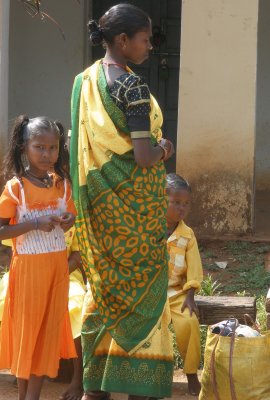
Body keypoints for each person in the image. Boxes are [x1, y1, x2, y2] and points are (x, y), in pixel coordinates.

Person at [69, 4, 175, 400]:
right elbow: (144, 156)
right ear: (123, 40)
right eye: (145, 39)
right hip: (138, 212)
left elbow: (82, 150)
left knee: (103, 287)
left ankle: (95, 387)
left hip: (100, 211)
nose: (150, 46)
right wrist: (164, 147)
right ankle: (139, 386)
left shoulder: (85, 80)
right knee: (143, 289)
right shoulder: (132, 86)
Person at [0, 115, 77, 400]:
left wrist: (67, 220)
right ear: (24, 147)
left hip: (56, 270)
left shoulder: (61, 185)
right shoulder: (15, 188)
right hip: (28, 272)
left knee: (45, 334)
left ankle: (31, 397)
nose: (47, 154)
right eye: (39, 147)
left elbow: (72, 216)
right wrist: (34, 224)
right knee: (29, 334)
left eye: (53, 148)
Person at [0, 227, 87, 400]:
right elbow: (11, 247)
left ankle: (77, 380)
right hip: (25, 272)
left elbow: (78, 256)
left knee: (74, 304)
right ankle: (21, 369)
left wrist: (56, 273)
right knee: (8, 301)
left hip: (65, 274)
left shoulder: (72, 212)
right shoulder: (23, 209)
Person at [166, 173, 203, 396]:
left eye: (186, 203)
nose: (182, 208)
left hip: (177, 293)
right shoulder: (149, 229)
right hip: (148, 292)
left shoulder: (187, 235)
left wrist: (190, 295)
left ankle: (191, 374)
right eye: (176, 203)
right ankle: (154, 373)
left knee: (189, 323)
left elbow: (194, 268)